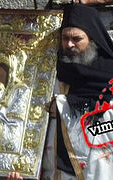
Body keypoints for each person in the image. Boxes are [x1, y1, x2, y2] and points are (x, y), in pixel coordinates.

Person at [43, 3, 113, 180]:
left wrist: (61, 106)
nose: (69, 44)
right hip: (60, 170)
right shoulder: (55, 73)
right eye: (64, 38)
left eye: (76, 38)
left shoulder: (109, 72)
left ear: (92, 38)